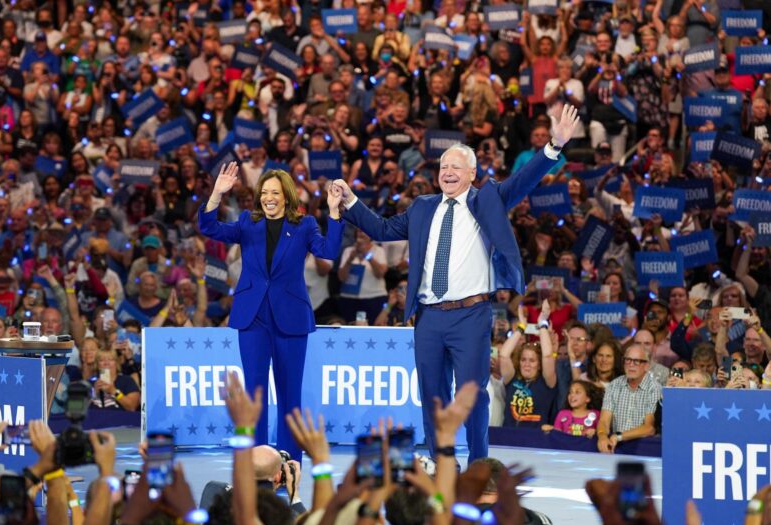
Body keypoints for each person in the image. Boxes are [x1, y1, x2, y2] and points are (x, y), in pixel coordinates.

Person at [331, 104, 580, 461]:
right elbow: (382, 230)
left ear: (472, 172)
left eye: (455, 167)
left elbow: (522, 181)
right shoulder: (422, 207)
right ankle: (441, 462)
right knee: (432, 395)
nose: (447, 173)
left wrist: (553, 148)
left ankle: (479, 464)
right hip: (429, 317)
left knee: (473, 394)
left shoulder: (487, 199)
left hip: (471, 315)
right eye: (443, 167)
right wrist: (351, 201)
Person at [198, 163, 344, 461]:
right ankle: (258, 462)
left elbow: (328, 251)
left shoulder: (304, 225)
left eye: (275, 192)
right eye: (264, 193)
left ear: (287, 196)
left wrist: (334, 211)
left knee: (290, 394)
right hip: (252, 317)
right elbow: (208, 227)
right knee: (254, 393)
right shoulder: (247, 223)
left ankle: (289, 462)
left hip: (291, 318)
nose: (269, 198)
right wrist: (217, 193)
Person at [597, 343, 662, 454]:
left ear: (646, 365)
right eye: (628, 360)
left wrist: (619, 436)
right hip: (616, 445)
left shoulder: (655, 388)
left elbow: (649, 428)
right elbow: (604, 420)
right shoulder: (613, 385)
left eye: (636, 361)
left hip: (642, 447)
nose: (631, 365)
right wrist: (602, 436)